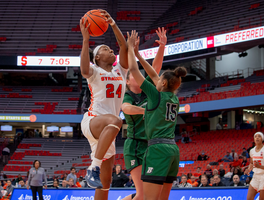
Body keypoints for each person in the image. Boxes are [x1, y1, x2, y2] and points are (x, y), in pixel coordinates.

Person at [127, 30, 186, 200]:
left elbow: (133, 69)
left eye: (159, 79)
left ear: (164, 83)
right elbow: (153, 73)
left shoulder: (155, 95)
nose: (156, 79)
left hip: (157, 149)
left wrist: (131, 49)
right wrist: (138, 54)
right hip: (173, 151)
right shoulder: (174, 98)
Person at [79, 10, 129, 199]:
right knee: (116, 120)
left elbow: (124, 48)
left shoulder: (120, 70)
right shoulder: (94, 71)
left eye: (110, 48)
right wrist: (86, 40)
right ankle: (93, 167)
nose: (111, 50)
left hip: (108, 132)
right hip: (94, 121)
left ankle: (95, 169)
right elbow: (84, 68)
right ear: (97, 57)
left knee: (105, 183)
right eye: (106, 49)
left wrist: (113, 24)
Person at [121, 27, 166, 200]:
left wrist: (162, 47)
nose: (138, 74)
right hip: (134, 146)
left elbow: (155, 68)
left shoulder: (146, 88)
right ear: (127, 80)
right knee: (142, 195)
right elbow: (125, 109)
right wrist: (146, 111)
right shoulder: (128, 95)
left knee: (148, 195)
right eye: (134, 73)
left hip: (149, 145)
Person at [245, 131, 264, 200]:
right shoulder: (252, 151)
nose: (257, 138)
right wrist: (248, 169)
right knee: (249, 198)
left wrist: (260, 167)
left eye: (259, 136)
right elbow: (252, 162)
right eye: (255, 136)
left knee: (262, 199)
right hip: (255, 176)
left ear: (262, 139)